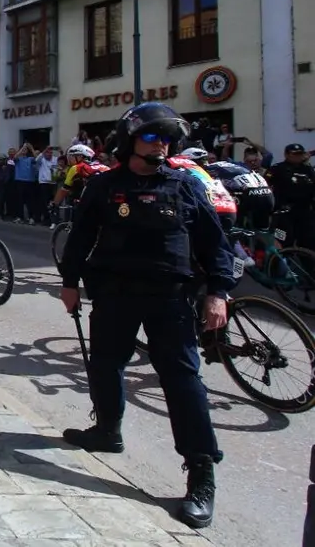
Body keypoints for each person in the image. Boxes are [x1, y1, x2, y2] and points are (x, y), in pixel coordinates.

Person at [58, 102, 235, 530]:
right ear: (129, 140)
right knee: (104, 365)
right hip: (114, 294)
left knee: (182, 381)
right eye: (153, 136)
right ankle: (107, 430)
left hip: (170, 299)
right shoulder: (103, 186)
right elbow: (81, 235)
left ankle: (200, 472)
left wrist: (218, 292)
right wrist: (69, 282)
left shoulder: (186, 185)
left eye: (167, 139)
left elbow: (214, 243)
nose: (162, 145)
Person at [266, 143, 314, 249]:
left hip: (305, 212)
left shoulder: (308, 169)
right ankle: (281, 263)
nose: (298, 156)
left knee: (308, 242)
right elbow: (266, 185)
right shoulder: (277, 168)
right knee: (283, 241)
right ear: (286, 155)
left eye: (300, 154)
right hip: (284, 213)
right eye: (294, 154)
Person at [51, 144, 110, 210]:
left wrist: (54, 204)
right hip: (107, 203)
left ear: (80, 156)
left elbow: (64, 190)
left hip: (89, 205)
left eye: (72, 156)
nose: (70, 160)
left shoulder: (76, 168)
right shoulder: (106, 167)